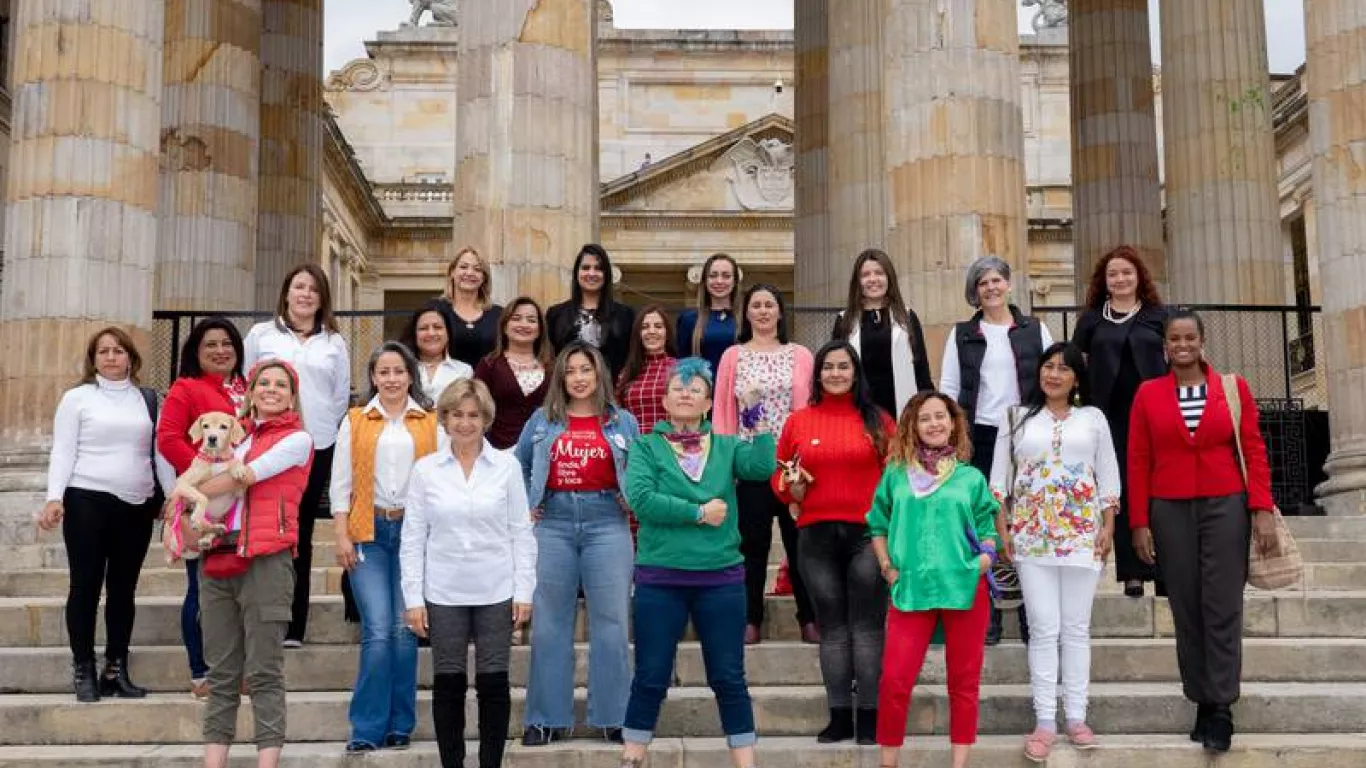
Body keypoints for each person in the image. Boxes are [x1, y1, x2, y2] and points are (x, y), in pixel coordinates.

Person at [1128, 310, 1277, 753]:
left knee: (1222, 605)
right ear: (1165, 346)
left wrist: (1261, 508)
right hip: (1168, 508)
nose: (1182, 344)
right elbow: (1138, 458)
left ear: (1202, 341)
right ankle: (1200, 698)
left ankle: (1222, 706)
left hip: (1225, 504)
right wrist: (1139, 521)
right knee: (1187, 606)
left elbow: (1252, 447)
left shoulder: (1232, 388)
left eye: (1190, 337)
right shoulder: (1148, 393)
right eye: (1174, 338)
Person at [618, 358, 775, 768]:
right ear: (665, 400)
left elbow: (761, 467)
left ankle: (746, 763)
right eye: (677, 388)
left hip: (720, 578)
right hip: (660, 577)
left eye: (695, 389)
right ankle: (632, 757)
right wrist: (699, 513)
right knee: (650, 676)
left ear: (707, 403)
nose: (685, 394)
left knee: (728, 677)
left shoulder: (725, 446)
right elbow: (642, 499)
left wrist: (754, 414)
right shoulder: (645, 447)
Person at [990, 343, 1120, 761]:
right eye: (1048, 366)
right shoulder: (1016, 417)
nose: (1054, 374)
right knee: (1044, 628)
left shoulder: (1093, 418)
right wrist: (1003, 529)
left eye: (1064, 369)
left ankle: (1077, 717)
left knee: (1076, 628)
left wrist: (1109, 526)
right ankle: (1045, 721)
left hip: (1083, 535)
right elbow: (999, 480)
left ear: (1077, 378)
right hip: (1032, 535)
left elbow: (1108, 476)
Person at [185, 359, 314, 768]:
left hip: (266, 560)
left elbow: (243, 478)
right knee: (220, 674)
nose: (271, 389)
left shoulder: (297, 440)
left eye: (281, 384)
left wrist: (190, 489)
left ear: (292, 396)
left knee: (264, 672)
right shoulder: (230, 436)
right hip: (217, 555)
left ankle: (267, 763)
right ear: (252, 390)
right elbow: (196, 489)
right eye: (264, 383)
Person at [403, 378, 537, 768]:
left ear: (486, 419)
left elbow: (520, 532)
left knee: (494, 684)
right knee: (448, 685)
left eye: (473, 415)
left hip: (496, 588)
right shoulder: (426, 470)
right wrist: (413, 599)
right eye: (457, 415)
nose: (465, 423)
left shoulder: (506, 467)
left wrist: (524, 590)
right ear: (444, 419)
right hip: (443, 592)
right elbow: (413, 538)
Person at [516, 342, 640, 746]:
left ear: (599, 373)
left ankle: (615, 717)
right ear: (561, 378)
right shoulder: (541, 421)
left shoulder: (622, 422)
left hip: (607, 522)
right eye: (571, 371)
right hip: (554, 523)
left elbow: (640, 470)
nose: (579, 377)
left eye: (586, 369)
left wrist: (631, 497)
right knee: (550, 623)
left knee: (612, 623)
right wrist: (527, 505)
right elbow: (518, 466)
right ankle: (546, 718)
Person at [772, 340, 896, 744]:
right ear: (818, 374)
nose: (836, 374)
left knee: (867, 626)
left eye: (844, 367)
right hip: (815, 535)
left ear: (855, 373)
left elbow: (895, 479)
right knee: (833, 628)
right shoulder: (799, 421)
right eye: (828, 367)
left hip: (867, 535)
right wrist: (789, 485)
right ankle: (840, 715)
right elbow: (779, 479)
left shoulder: (879, 420)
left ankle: (871, 717)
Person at [40, 327, 173, 703]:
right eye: (103, 352)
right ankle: (83, 668)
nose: (111, 357)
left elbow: (160, 452)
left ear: (131, 357)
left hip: (136, 502)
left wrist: (173, 494)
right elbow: (63, 451)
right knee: (84, 587)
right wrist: (54, 497)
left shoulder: (148, 399)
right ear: (93, 359)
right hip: (86, 499)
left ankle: (116, 669)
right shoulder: (77, 398)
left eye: (118, 351)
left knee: (123, 590)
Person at [868, 392, 999, 768]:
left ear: (953, 423)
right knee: (894, 681)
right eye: (925, 418)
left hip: (964, 589)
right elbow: (877, 522)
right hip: (910, 589)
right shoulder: (895, 475)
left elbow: (988, 527)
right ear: (913, 426)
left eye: (941, 417)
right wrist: (886, 567)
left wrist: (985, 559)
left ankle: (959, 763)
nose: (934, 424)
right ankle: (888, 763)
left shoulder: (970, 477)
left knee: (964, 682)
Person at [330, 342, 445, 753]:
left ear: (410, 375)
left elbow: (443, 480)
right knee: (378, 630)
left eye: (399, 371)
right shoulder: (357, 419)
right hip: (368, 534)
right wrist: (341, 534)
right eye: (384, 372)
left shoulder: (431, 422)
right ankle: (367, 727)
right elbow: (340, 483)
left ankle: (400, 725)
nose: (392, 379)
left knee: (405, 629)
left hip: (414, 533)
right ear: (373, 377)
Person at [939, 255, 1053, 645]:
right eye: (982, 283)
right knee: (981, 524)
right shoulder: (962, 335)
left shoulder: (1035, 330)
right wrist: (950, 439)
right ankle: (988, 611)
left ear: (1008, 284)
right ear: (975, 292)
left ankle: (1027, 614)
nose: (990, 288)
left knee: (1024, 523)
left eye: (996, 281)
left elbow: (1053, 377)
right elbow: (950, 388)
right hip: (980, 434)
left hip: (1026, 433)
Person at [244, 264, 351, 647]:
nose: (306, 294)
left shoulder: (334, 342)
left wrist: (318, 428)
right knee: (263, 523)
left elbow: (339, 397)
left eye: (314, 289)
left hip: (315, 445)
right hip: (269, 442)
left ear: (322, 299)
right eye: (299, 287)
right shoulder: (260, 334)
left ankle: (293, 624)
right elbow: (249, 384)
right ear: (286, 293)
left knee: (299, 530)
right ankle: (257, 616)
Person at [714, 284, 817, 645]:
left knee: (799, 544)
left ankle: (809, 618)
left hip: (792, 465)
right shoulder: (733, 356)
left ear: (779, 312)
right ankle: (749, 619)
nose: (762, 311)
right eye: (755, 305)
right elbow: (723, 414)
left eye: (768, 305)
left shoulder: (801, 355)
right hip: (749, 463)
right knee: (751, 547)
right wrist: (725, 462)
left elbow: (809, 410)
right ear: (746, 313)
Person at [157, 317, 250, 700]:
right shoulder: (187, 388)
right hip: (205, 501)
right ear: (196, 351)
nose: (220, 350)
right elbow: (167, 439)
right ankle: (202, 672)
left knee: (239, 592)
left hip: (245, 501)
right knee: (201, 588)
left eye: (227, 343)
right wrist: (206, 475)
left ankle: (235, 669)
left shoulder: (246, 389)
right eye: (210, 344)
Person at [1071, 245, 1168, 597]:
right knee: (1122, 489)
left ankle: (1166, 569)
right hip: (1110, 418)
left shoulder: (1160, 316)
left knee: (1159, 489)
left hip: (1156, 414)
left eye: (1127, 272)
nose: (1121, 279)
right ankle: (1133, 571)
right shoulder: (1092, 320)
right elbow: (1074, 364)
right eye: (1113, 274)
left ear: (1139, 276)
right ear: (1104, 281)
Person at [831, 248, 932, 419]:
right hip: (859, 411)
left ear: (889, 278)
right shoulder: (845, 320)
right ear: (858, 281)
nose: (873, 279)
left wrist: (929, 405)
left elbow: (921, 368)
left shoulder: (906, 317)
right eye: (865, 275)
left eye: (879, 273)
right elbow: (837, 369)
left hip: (901, 411)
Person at [473, 297, 552, 450]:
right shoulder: (489, 364)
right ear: (504, 326)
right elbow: (476, 407)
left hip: (543, 452)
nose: (524, 324)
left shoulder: (553, 367)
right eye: (516, 318)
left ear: (540, 329)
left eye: (531, 320)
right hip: (498, 451)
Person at [546, 244, 636, 378]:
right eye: (586, 268)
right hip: (566, 393)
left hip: (611, 393)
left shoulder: (626, 315)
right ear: (577, 273)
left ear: (606, 275)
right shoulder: (556, 314)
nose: (592, 273)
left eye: (598, 268)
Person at [616, 304, 678, 435]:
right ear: (638, 334)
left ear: (667, 333)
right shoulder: (626, 373)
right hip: (636, 450)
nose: (651, 331)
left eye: (658, 326)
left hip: (671, 448)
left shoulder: (680, 369)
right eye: (645, 327)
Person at [676, 253, 742, 375]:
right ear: (705, 281)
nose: (719, 281)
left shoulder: (746, 319)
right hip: (703, 390)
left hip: (737, 390)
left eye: (726, 276)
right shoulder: (689, 320)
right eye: (713, 276)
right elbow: (682, 365)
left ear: (735, 281)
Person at [440, 246, 503, 368]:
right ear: (452, 272)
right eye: (463, 267)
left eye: (477, 269)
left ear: (484, 277)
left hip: (488, 385)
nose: (469, 273)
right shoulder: (435, 310)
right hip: (445, 385)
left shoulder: (499, 314)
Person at [401, 299, 474, 403]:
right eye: (424, 328)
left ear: (448, 334)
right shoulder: (401, 369)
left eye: (437, 327)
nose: (431, 333)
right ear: (414, 335)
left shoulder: (464, 371)